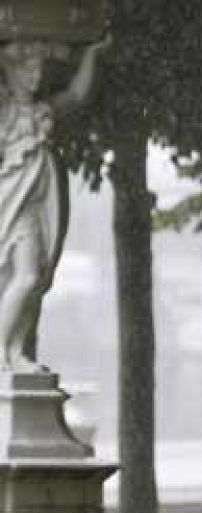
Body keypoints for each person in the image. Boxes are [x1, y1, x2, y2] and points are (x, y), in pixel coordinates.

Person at [0, 39, 106, 369]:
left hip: (40, 205)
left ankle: (14, 352)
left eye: (39, 70)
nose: (35, 76)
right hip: (13, 203)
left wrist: (92, 53)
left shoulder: (43, 110)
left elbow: (76, 95)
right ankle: (2, 349)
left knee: (37, 278)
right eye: (27, 70)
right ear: (11, 72)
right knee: (27, 276)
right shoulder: (5, 112)